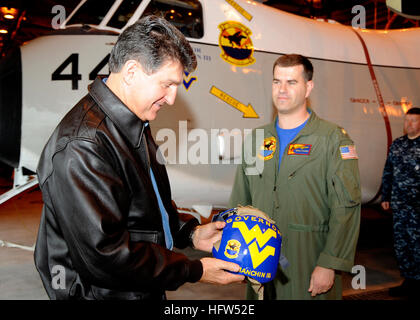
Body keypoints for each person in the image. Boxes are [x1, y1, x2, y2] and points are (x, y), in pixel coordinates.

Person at [34, 15, 244, 300]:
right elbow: (106, 255)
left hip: (140, 288)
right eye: (166, 85)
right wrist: (194, 270)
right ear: (132, 72)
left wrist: (190, 233)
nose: (171, 99)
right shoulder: (84, 145)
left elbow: (144, 208)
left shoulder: (133, 122)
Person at [229, 54, 361, 300]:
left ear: (308, 87)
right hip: (259, 262)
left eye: (291, 82)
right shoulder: (257, 139)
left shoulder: (332, 139)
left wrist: (329, 263)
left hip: (309, 258)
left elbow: (346, 207)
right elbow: (241, 199)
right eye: (277, 81)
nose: (282, 89)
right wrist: (235, 251)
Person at [381, 107, 420, 298]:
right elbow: (388, 171)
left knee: (417, 244)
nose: (409, 124)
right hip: (400, 205)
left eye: (413, 120)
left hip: (417, 207)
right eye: (407, 120)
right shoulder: (397, 144)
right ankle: (408, 280)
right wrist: (385, 196)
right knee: (401, 244)